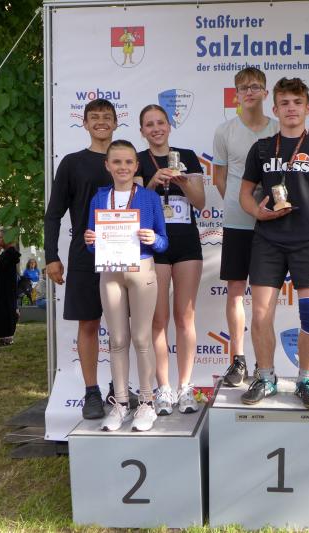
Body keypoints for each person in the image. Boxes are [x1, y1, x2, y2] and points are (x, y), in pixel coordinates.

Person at [239, 77, 309, 409]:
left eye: (297, 103)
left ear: (308, 108)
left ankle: (305, 379)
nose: (291, 109)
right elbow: (244, 193)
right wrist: (257, 212)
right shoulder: (262, 148)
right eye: (285, 103)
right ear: (275, 109)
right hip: (269, 241)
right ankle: (265, 377)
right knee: (261, 314)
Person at [84, 140, 169, 432]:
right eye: (117, 162)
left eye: (128, 162)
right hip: (110, 272)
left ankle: (146, 403)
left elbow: (163, 241)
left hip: (142, 268)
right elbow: (92, 244)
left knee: (142, 338)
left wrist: (153, 239)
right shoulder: (99, 198)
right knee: (117, 339)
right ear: (107, 165)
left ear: (136, 166)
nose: (123, 167)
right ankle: (120, 403)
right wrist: (90, 240)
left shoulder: (149, 197)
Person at [44, 98, 117, 419]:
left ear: (116, 123)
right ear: (85, 123)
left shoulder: (128, 158)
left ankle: (120, 387)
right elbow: (53, 214)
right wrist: (51, 256)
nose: (101, 122)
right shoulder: (72, 163)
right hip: (86, 255)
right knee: (89, 323)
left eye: (107, 117)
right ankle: (91, 392)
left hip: (125, 255)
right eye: (94, 117)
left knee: (124, 326)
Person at [137, 104, 206, 416]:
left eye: (160, 123)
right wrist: (153, 182)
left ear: (169, 126)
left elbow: (200, 202)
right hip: (155, 245)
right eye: (149, 124)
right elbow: (134, 207)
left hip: (187, 242)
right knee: (158, 319)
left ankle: (186, 386)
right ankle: (163, 387)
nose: (156, 129)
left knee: (185, 317)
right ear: (142, 131)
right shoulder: (139, 160)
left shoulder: (187, 156)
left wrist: (183, 182)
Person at [212, 67, 279, 387]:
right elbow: (219, 177)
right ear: (236, 94)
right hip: (238, 222)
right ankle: (238, 360)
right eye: (243, 88)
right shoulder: (224, 131)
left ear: (266, 92)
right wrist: (242, 205)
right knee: (236, 291)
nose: (249, 92)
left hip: (275, 223)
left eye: (255, 87)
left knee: (266, 297)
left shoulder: (279, 128)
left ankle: (265, 364)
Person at [0, 230, 20, 346]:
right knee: (1, 312)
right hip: (2, 289)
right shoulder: (6, 253)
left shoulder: (10, 253)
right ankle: (4, 336)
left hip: (6, 290)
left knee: (6, 312)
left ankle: (7, 337)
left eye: (0, 238)